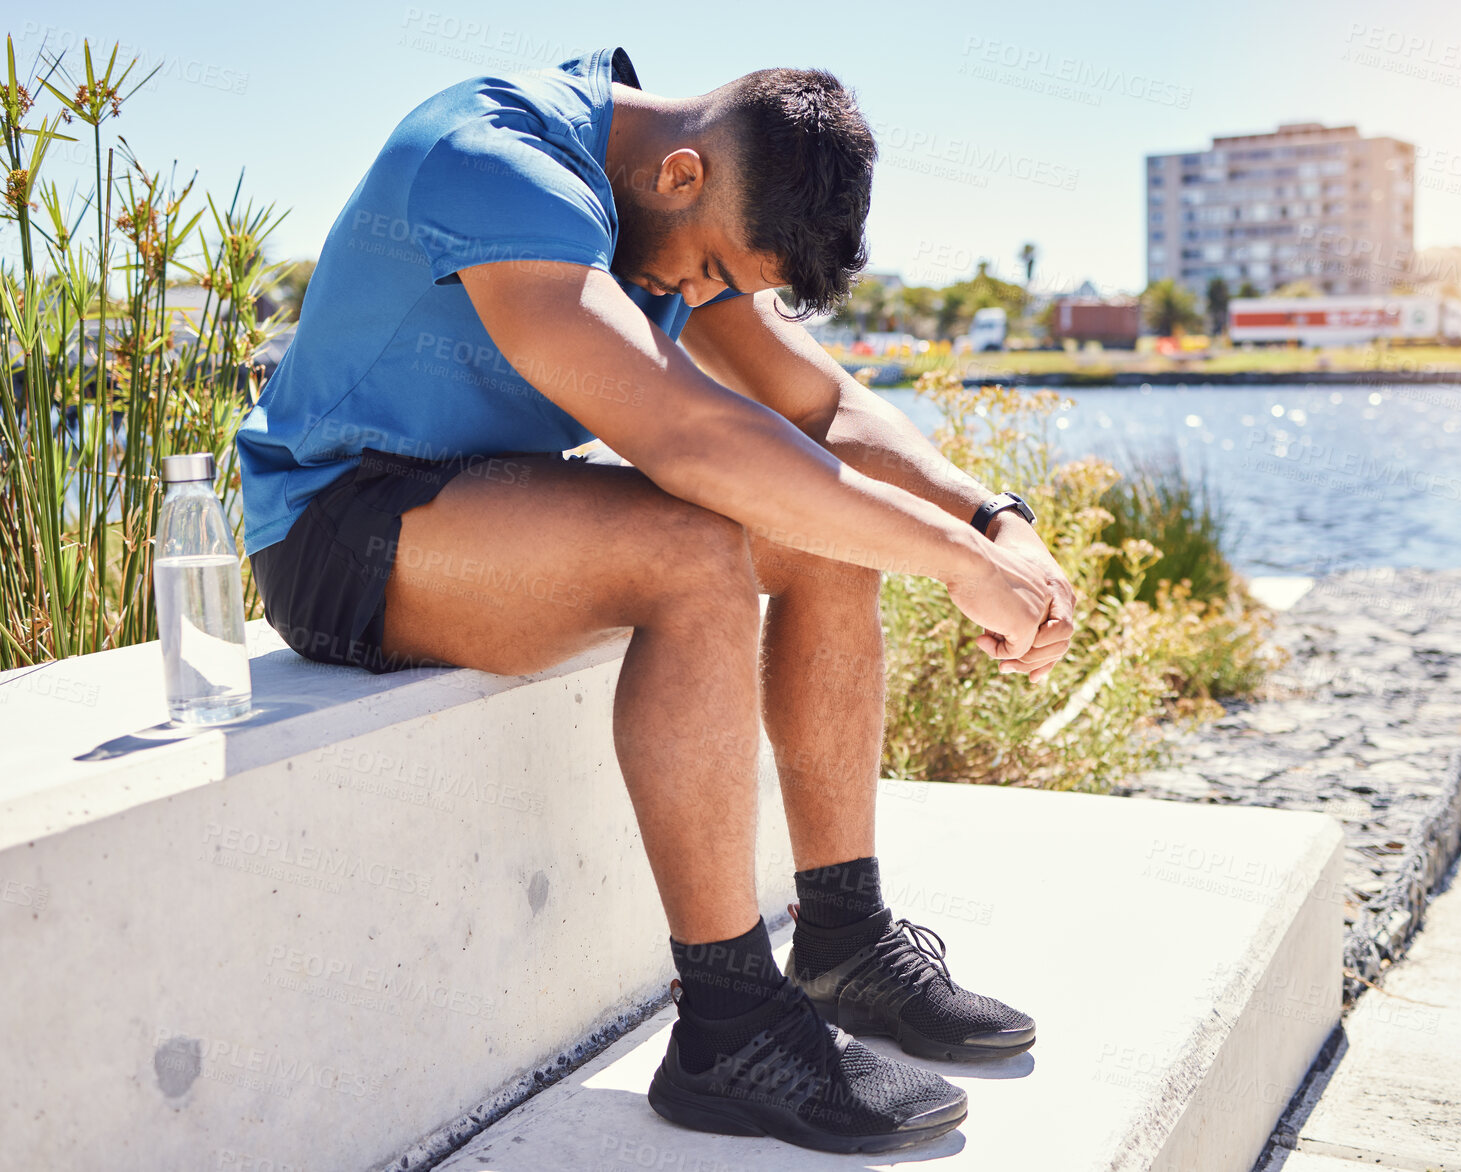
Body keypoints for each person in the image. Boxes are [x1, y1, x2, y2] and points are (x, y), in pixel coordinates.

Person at [235, 46, 1076, 1154]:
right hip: (341, 521)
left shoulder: (674, 212)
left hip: (492, 505)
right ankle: (729, 1026)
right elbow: (685, 436)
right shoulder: (492, 159)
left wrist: (987, 520)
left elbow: (819, 407)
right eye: (717, 271)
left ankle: (842, 937)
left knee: (823, 535)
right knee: (696, 545)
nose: (708, 298)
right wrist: (958, 568)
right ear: (681, 173)